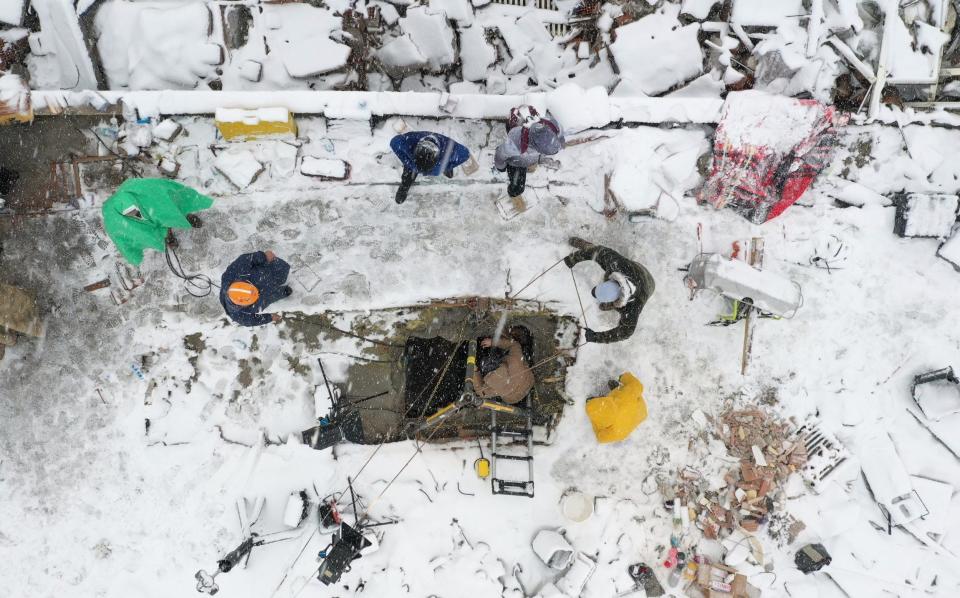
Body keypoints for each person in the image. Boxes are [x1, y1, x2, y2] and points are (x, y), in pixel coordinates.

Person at [564, 238, 655, 344]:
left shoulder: (631, 308)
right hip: (635, 270)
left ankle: (608, 305)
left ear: (615, 300)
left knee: (603, 307)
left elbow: (625, 332)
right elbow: (600, 251)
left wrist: (596, 337)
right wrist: (574, 258)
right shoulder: (616, 265)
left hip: (648, 285)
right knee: (596, 253)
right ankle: (586, 246)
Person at [494, 105, 565, 199]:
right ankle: (512, 122)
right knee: (516, 190)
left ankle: (516, 120)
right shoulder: (515, 142)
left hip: (527, 156)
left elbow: (559, 139)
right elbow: (500, 153)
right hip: (517, 162)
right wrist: (501, 167)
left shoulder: (553, 127)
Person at [390, 131, 471, 204]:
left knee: (447, 161)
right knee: (408, 174)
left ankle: (446, 169)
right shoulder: (409, 142)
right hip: (414, 162)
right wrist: (408, 162)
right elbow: (394, 142)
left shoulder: (450, 148)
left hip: (442, 157)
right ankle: (404, 187)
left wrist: (446, 166)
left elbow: (466, 154)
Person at [219, 250, 292, 326]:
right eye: (254, 298)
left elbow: (245, 259)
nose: (257, 294)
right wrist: (270, 318)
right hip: (272, 286)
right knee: (271, 293)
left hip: (265, 269)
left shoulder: (231, 275)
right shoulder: (238, 315)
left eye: (254, 291)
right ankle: (283, 289)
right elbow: (251, 321)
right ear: (243, 305)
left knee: (281, 271)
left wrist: (263, 256)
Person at [472, 326, 535, 404]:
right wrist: (492, 342)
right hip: (527, 381)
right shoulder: (516, 358)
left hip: (513, 397)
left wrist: (476, 371)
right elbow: (514, 344)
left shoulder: (497, 386)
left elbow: (481, 392)